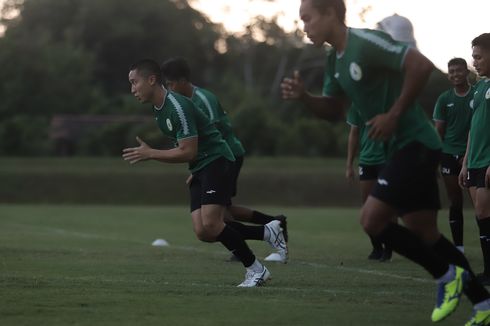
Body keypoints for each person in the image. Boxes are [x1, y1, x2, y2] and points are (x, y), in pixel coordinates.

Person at [281, 0, 490, 323]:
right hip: (400, 150)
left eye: (307, 18)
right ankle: (483, 304)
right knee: (425, 233)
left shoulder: (365, 42)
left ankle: (447, 277)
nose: (304, 26)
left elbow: (420, 65)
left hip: (416, 143)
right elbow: (336, 109)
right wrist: (305, 98)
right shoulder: (333, 60)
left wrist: (393, 116)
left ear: (330, 14)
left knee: (372, 221)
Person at [123, 59, 287, 287]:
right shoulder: (158, 108)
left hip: (217, 160)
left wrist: (151, 153)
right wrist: (195, 171)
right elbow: (187, 150)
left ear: (151, 80)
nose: (132, 89)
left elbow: (188, 151)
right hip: (202, 166)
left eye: (134, 82)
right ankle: (267, 232)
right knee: (203, 231)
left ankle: (256, 270)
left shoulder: (177, 106)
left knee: (212, 223)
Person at [160, 57, 288, 263]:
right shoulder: (181, 103)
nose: (169, 89)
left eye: (171, 84)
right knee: (221, 213)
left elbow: (214, 137)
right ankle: (272, 225)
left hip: (226, 155)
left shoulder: (203, 99)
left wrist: (198, 171)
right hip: (208, 160)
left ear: (183, 80)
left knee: (218, 216)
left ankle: (254, 244)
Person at [433, 58, 474, 253]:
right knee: (455, 201)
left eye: (459, 70)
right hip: (449, 155)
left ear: (467, 72)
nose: (455, 74)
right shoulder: (444, 98)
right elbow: (438, 132)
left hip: (474, 155)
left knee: (480, 202)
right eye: (451, 71)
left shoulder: (479, 94)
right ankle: (459, 247)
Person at [460, 34, 490, 293]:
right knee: (482, 217)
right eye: (474, 56)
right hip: (476, 161)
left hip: (489, 162)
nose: (474, 62)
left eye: (479, 57)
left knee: (484, 213)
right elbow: (473, 127)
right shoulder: (480, 87)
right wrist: (466, 162)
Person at [345, 105, 392, 262]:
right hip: (366, 161)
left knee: (388, 206)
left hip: (386, 160)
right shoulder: (356, 105)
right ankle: (377, 247)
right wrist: (349, 165)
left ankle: (389, 248)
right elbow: (354, 134)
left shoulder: (386, 101)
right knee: (368, 208)